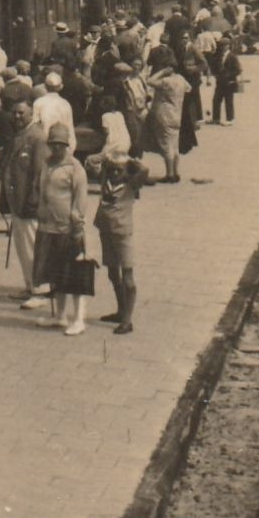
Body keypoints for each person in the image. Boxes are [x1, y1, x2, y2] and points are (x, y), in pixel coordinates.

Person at [32, 123, 90, 336]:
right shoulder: (47, 164)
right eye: (53, 144)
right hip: (48, 227)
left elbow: (80, 200)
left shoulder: (75, 168)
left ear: (67, 145)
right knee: (54, 273)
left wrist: (77, 227)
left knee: (74, 275)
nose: (56, 149)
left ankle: (79, 319)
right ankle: (60, 315)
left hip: (67, 229)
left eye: (60, 145)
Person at [86, 144, 150, 334]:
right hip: (105, 230)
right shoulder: (106, 178)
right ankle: (121, 310)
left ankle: (127, 320)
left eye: (118, 169)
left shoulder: (131, 183)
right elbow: (90, 162)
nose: (115, 172)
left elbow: (145, 170)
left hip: (122, 233)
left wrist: (130, 162)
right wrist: (106, 156)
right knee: (113, 274)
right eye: (112, 168)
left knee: (128, 278)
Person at [0, 100, 47, 307]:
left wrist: (33, 199)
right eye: (14, 113)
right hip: (17, 202)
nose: (17, 117)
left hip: (28, 202)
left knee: (31, 247)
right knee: (22, 247)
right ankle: (30, 285)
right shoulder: (21, 134)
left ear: (31, 114)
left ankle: (40, 291)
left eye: (21, 113)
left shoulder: (36, 137)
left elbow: (39, 172)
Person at [143, 46, 189, 183]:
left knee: (166, 145)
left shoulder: (165, 81)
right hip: (176, 113)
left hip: (163, 114)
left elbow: (149, 81)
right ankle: (175, 172)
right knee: (174, 145)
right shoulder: (180, 79)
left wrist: (161, 72)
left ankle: (169, 174)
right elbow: (189, 88)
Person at [210, 35, 242, 126]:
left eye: (224, 45)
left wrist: (228, 75)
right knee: (216, 100)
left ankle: (230, 119)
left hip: (229, 82)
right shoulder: (219, 56)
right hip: (220, 82)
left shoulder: (232, 56)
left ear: (228, 46)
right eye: (221, 45)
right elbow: (214, 66)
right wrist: (215, 73)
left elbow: (238, 70)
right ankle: (216, 118)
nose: (222, 47)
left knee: (229, 101)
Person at [32, 70, 75, 135]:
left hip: (44, 138)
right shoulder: (65, 103)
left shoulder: (38, 102)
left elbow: (34, 124)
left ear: (45, 86)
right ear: (60, 87)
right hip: (61, 140)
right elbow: (69, 127)